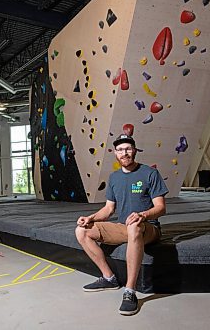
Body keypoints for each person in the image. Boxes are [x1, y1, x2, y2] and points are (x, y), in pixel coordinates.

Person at [75, 133, 168, 316]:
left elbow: (161, 207)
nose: (124, 153)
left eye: (127, 149)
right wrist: (91, 218)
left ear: (134, 150)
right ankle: (109, 278)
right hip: (124, 227)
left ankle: (130, 291)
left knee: (134, 226)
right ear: (115, 154)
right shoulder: (114, 178)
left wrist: (143, 215)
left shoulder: (150, 173)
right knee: (81, 231)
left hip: (149, 227)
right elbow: (109, 209)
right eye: (120, 150)